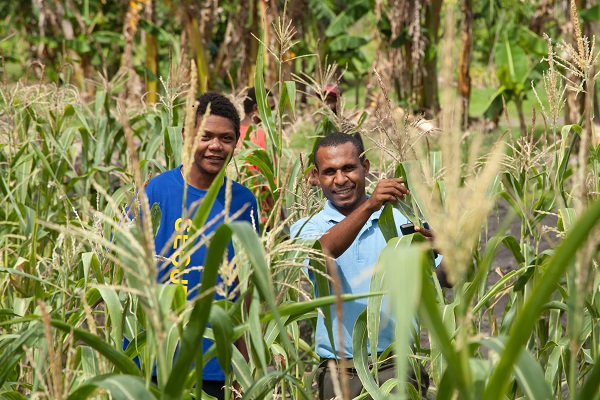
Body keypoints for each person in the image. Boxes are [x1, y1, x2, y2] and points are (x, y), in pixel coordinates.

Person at [291, 132, 442, 399]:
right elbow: (321, 253)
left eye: (349, 168)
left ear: (365, 167)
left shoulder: (401, 220)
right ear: (316, 176)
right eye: (329, 172)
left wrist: (447, 249)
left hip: (396, 369)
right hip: (339, 374)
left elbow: (446, 279)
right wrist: (371, 206)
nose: (340, 179)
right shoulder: (306, 228)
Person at [136, 92, 259, 399]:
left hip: (217, 366)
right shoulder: (155, 191)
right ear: (185, 136)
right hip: (155, 360)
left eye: (226, 138)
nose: (216, 146)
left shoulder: (244, 202)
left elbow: (246, 290)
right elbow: (120, 269)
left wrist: (249, 363)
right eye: (205, 136)